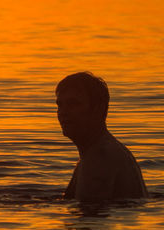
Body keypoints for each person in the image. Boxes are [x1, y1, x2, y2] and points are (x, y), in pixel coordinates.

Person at [55, 71, 147, 203]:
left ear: (98, 108)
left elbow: (89, 215)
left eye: (73, 104)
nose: (63, 112)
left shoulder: (99, 157)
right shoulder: (102, 151)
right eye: (60, 105)